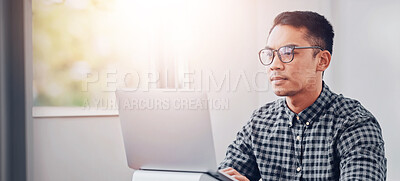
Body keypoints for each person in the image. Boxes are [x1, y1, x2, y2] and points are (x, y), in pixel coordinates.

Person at [218, 11, 386, 181]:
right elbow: (222, 176)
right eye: (270, 54)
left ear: (322, 61)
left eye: (288, 52)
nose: (274, 65)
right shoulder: (260, 123)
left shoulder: (354, 124)